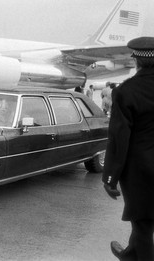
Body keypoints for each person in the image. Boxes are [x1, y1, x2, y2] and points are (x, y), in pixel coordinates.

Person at [102, 36, 154, 261]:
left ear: (137, 61)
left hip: (141, 170)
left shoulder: (126, 91)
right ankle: (131, 255)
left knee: (142, 224)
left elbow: (118, 139)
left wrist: (110, 177)